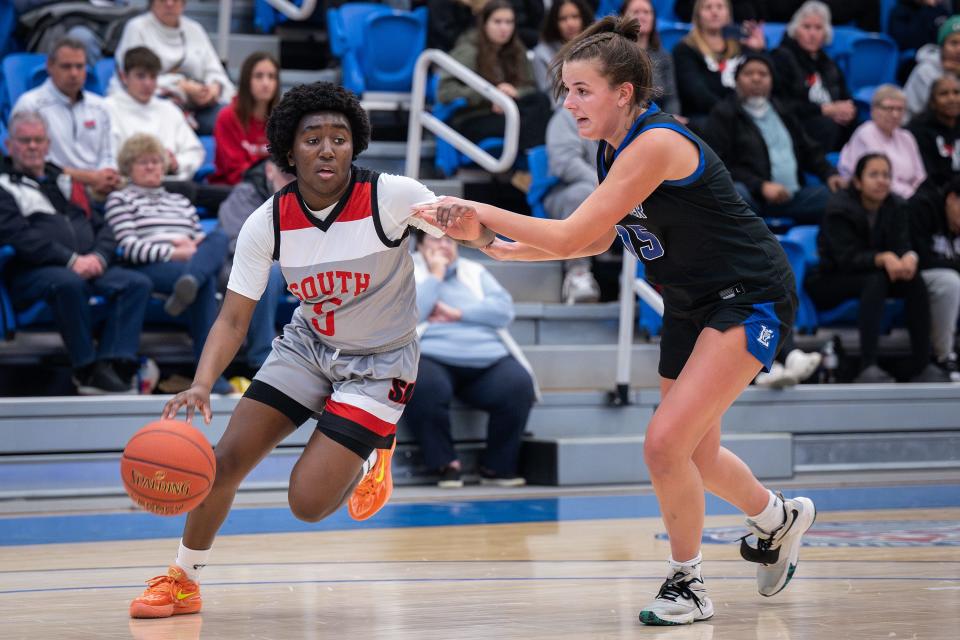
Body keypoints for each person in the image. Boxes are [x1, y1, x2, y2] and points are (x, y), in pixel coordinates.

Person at [415, 16, 816, 627]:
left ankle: (688, 583)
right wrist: (491, 243)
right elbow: (593, 240)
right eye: (567, 90)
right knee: (696, 456)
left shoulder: (656, 143)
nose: (569, 101)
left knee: (663, 444)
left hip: (748, 295)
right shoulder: (612, 151)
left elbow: (573, 231)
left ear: (623, 92)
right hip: (690, 303)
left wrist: (479, 209)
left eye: (582, 90)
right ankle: (778, 519)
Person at [127, 82, 464, 620]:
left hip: (379, 363)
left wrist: (533, 242)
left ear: (355, 147)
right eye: (313, 138)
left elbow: (471, 228)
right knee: (223, 461)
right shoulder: (268, 221)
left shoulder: (393, 196)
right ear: (290, 151)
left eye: (340, 138)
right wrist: (200, 381)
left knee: (306, 505)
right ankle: (183, 580)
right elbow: (234, 317)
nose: (327, 148)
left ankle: (374, 445)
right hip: (309, 346)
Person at [0, 110, 151, 394]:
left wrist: (99, 257)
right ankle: (85, 368)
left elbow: (104, 227)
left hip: (86, 265)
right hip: (32, 272)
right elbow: (20, 237)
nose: (32, 146)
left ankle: (113, 363)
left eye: (38, 140)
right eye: (24, 140)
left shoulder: (66, 182)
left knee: (135, 283)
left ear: (47, 145)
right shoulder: (4, 186)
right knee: (68, 282)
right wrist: (71, 260)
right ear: (10, 146)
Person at [104, 133, 233, 396]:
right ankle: (209, 374)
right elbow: (128, 246)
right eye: (143, 162)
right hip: (151, 265)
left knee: (219, 237)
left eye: (155, 161)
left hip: (189, 261)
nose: (151, 167)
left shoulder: (180, 201)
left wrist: (191, 249)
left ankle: (190, 282)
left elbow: (199, 236)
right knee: (205, 278)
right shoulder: (121, 199)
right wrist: (173, 252)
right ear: (129, 168)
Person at [405, 230, 536, 488]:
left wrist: (458, 313)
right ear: (419, 246)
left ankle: (497, 467)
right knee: (423, 383)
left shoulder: (473, 271)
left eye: (449, 240)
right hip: (432, 356)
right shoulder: (408, 270)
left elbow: (503, 310)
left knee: (518, 384)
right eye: (435, 239)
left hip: (486, 356)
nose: (444, 245)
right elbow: (412, 314)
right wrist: (436, 274)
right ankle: (445, 463)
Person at [804, 153, 948, 383]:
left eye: (886, 175)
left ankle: (922, 364)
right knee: (875, 280)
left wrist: (908, 257)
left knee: (914, 279)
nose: (882, 180)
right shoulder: (838, 208)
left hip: (875, 275)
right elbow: (844, 258)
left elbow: (903, 245)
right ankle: (867, 365)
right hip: (831, 280)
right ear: (858, 181)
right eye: (874, 175)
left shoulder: (897, 205)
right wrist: (881, 259)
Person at [704, 52, 844, 225]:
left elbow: (808, 150)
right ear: (736, 80)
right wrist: (761, 186)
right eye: (748, 74)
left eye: (763, 74)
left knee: (838, 197)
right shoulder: (724, 114)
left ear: (771, 81)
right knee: (735, 194)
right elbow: (719, 164)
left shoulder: (782, 110)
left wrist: (830, 174)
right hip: (752, 198)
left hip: (792, 197)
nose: (756, 79)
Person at [438, 0, 553, 167]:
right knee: (536, 118)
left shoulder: (517, 50)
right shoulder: (469, 50)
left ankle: (529, 165)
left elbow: (530, 87)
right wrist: (489, 95)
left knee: (541, 101)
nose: (504, 28)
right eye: (497, 22)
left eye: (509, 22)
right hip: (475, 117)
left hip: (506, 113)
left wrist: (513, 93)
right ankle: (529, 166)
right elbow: (445, 91)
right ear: (484, 23)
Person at [12, 36, 120, 199]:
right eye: (66, 67)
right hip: (51, 191)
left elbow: (109, 153)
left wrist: (107, 175)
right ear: (49, 66)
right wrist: (91, 178)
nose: (74, 73)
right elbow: (33, 161)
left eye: (79, 66)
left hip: (101, 190)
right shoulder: (30, 104)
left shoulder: (101, 106)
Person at [112, 0, 236, 134]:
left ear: (184, 3)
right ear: (152, 2)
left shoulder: (195, 29)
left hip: (199, 105)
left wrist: (214, 88)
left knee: (232, 119)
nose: (169, 4)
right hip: (155, 102)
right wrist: (180, 86)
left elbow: (215, 71)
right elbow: (134, 78)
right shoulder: (137, 28)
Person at [216, 160, 294, 370]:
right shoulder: (244, 194)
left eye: (296, 175)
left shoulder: (311, 195)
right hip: (240, 265)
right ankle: (261, 358)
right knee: (268, 271)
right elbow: (237, 242)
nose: (291, 181)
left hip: (293, 264)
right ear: (270, 170)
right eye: (286, 175)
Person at [104, 46, 205, 182]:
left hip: (169, 186)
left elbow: (195, 151)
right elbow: (105, 159)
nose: (148, 83)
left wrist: (177, 163)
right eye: (141, 76)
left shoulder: (169, 110)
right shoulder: (107, 109)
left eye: (153, 77)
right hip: (126, 185)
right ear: (124, 77)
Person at [771, 1, 856, 152]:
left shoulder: (829, 63)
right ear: (796, 30)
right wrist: (824, 110)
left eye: (818, 28)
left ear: (826, 33)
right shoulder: (782, 57)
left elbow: (845, 96)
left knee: (859, 125)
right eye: (807, 27)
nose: (812, 33)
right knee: (827, 126)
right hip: (799, 126)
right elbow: (783, 104)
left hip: (831, 121)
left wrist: (848, 111)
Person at [672, 0, 765, 132]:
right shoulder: (685, 50)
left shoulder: (742, 46)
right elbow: (696, 94)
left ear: (728, 13)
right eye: (708, 7)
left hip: (746, 116)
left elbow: (763, 81)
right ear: (698, 14)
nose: (714, 12)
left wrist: (758, 51)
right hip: (708, 119)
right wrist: (734, 113)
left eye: (720, 7)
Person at [544, 107, 603, 303]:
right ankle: (578, 275)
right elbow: (565, 163)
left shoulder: (628, 118)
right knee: (582, 193)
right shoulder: (567, 116)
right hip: (565, 193)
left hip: (617, 195)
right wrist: (609, 188)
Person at [909, 176, 960, 381]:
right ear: (952, 199)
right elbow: (920, 259)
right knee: (950, 283)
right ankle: (944, 357)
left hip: (944, 271)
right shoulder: (922, 207)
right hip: (912, 275)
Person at [838, 85, 927, 200]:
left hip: (908, 197)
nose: (895, 114)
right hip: (874, 197)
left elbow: (920, 176)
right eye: (889, 108)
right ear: (874, 110)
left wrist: (922, 195)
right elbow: (881, 179)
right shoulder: (866, 133)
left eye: (900, 109)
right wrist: (913, 196)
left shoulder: (906, 137)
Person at [210, 52, 280, 186]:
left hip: (272, 189)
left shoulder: (282, 118)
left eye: (271, 77)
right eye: (259, 76)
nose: (266, 83)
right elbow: (235, 172)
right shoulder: (227, 117)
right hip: (232, 190)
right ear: (246, 80)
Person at [621, 0, 680, 116]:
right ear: (622, 17)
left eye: (647, 12)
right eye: (635, 12)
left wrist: (671, 118)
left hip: (659, 118)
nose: (642, 16)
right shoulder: (615, 54)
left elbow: (671, 97)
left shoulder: (664, 56)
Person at [533, 0, 594, 108]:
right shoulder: (542, 54)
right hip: (563, 112)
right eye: (563, 19)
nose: (570, 23)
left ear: (584, 18)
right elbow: (550, 98)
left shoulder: (598, 47)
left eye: (575, 16)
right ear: (554, 23)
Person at [908, 73, 960, 188]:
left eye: (956, 93)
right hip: (937, 193)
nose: (952, 99)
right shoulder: (918, 129)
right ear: (932, 102)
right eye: (944, 94)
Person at [905, 15, 960, 119]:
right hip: (918, 128)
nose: (959, 49)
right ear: (942, 47)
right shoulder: (926, 70)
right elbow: (944, 110)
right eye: (953, 43)